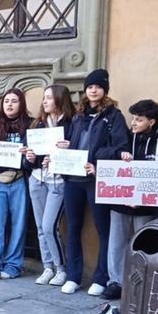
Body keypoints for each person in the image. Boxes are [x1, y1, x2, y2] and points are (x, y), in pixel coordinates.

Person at [61, 69, 129, 295]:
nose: (93, 90)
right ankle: (73, 275)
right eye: (90, 86)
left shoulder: (114, 116)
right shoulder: (79, 115)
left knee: (103, 229)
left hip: (96, 178)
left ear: (105, 90)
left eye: (98, 86)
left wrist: (96, 162)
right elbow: (72, 142)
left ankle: (101, 277)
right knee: (72, 227)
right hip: (72, 178)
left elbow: (120, 148)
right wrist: (65, 147)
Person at [102, 99, 158, 300]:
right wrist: (118, 153)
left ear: (152, 121)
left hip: (145, 206)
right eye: (133, 119)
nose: (133, 123)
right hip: (120, 201)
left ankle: (143, 283)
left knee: (145, 245)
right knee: (116, 244)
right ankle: (116, 282)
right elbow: (102, 152)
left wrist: (141, 197)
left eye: (139, 119)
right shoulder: (125, 138)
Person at [0, 88, 33, 280]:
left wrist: (29, 156)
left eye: (14, 101)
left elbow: (35, 154)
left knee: (18, 226)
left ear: (21, 104)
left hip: (19, 180)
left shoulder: (31, 125)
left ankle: (13, 265)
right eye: (6, 101)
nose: (9, 104)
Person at [25, 84, 73, 287]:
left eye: (49, 98)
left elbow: (79, 151)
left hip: (58, 181)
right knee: (39, 227)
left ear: (60, 100)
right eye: (44, 98)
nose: (44, 101)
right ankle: (47, 267)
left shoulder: (71, 123)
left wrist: (67, 149)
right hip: (37, 179)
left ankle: (61, 268)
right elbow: (32, 155)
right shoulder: (39, 124)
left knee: (49, 225)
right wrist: (31, 157)